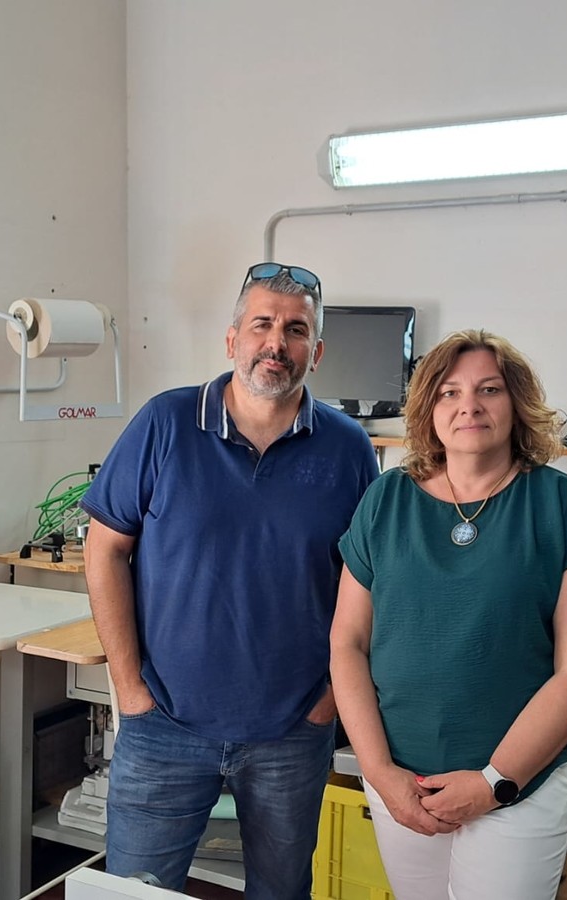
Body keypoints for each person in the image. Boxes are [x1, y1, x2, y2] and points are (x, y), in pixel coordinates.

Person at [79, 262, 379, 899]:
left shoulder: (349, 448)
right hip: (163, 724)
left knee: (281, 891)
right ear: (232, 339)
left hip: (293, 731)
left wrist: (327, 703)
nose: (277, 343)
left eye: (295, 330)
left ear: (317, 352)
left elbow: (368, 583)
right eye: (262, 324)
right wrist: (129, 689)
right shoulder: (164, 423)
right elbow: (103, 550)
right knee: (135, 893)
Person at [331, 329, 567, 900]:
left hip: (518, 787)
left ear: (517, 403)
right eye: (449, 392)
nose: (469, 406)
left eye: (489, 389)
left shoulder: (559, 503)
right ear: (428, 408)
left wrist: (493, 783)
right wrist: (379, 772)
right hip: (404, 781)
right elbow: (347, 643)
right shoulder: (386, 499)